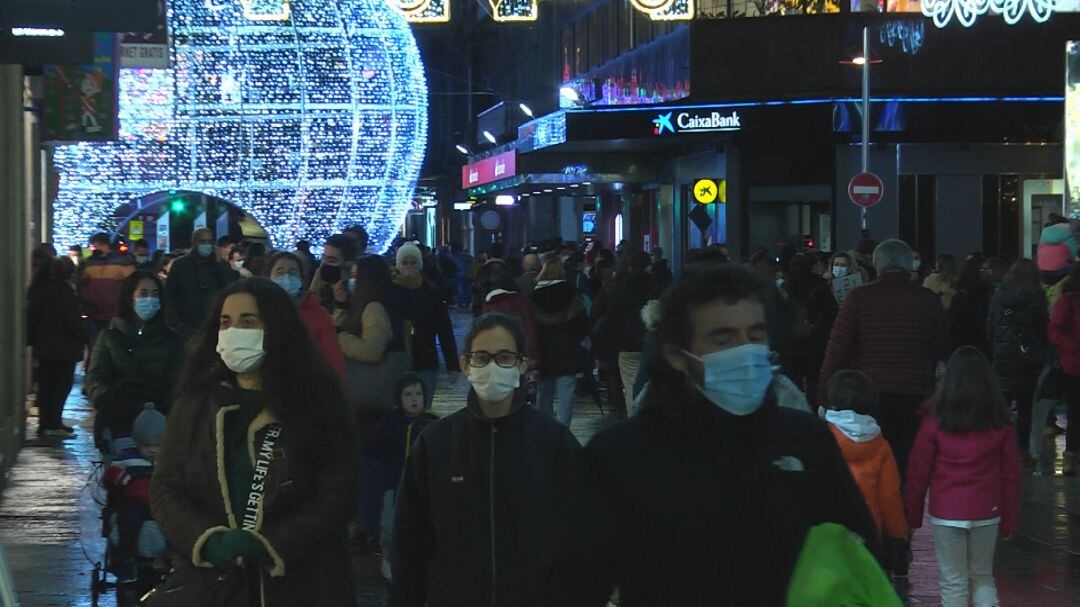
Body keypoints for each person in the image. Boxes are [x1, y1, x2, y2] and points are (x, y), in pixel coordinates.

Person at [551, 263, 879, 605]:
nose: (745, 351)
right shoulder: (622, 456)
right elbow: (577, 583)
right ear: (677, 356)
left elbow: (860, 555)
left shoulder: (804, 441)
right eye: (723, 338)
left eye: (755, 335)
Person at [149, 278, 356, 606]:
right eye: (226, 323)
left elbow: (337, 493)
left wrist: (271, 544)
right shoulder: (196, 403)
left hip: (300, 587)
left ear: (276, 329)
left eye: (248, 322)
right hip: (212, 587)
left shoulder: (318, 402)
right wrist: (208, 541)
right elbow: (165, 487)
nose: (234, 332)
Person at [391, 314, 582, 606]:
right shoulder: (436, 444)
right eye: (481, 357)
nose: (492, 366)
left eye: (504, 357)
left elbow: (581, 538)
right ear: (466, 364)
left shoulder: (553, 442)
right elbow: (409, 543)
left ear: (522, 364)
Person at [819, 239, 949, 481]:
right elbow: (942, 349)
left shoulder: (858, 298)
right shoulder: (927, 300)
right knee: (909, 463)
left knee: (875, 466)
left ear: (876, 265)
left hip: (870, 394)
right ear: (910, 266)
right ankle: (905, 512)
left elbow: (836, 350)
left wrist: (825, 396)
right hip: (916, 394)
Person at [904, 347, 1020, 607]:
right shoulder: (1000, 423)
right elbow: (1011, 476)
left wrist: (912, 516)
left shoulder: (934, 421)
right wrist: (1010, 521)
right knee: (982, 576)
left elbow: (917, 473)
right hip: (986, 511)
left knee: (953, 580)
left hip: (947, 513)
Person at [824, 371, 909, 572]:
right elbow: (889, 496)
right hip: (868, 532)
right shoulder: (880, 444)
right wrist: (899, 533)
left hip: (828, 532)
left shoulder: (821, 436)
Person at [361, 373, 438, 581]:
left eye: (418, 394)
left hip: (424, 489)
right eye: (408, 394)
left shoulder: (432, 423)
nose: (414, 399)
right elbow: (371, 450)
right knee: (390, 525)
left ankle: (420, 563)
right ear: (399, 398)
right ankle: (390, 560)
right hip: (394, 486)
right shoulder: (390, 422)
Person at [88, 271, 184, 430]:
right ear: (130, 297)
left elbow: (178, 378)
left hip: (161, 424)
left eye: (155, 294)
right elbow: (95, 378)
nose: (149, 299)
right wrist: (114, 399)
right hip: (118, 422)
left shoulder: (172, 338)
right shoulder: (110, 337)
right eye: (143, 293)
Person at [987, 259, 1048, 465]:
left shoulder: (998, 295)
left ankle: (997, 449)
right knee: (1025, 408)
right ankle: (1022, 450)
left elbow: (990, 326)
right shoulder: (1037, 297)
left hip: (1002, 357)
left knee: (1001, 406)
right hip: (1027, 359)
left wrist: (996, 349)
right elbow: (1043, 329)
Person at [102, 403, 168, 582]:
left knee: (175, 522)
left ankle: (170, 558)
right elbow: (111, 474)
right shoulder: (128, 458)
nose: (153, 450)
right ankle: (126, 558)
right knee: (128, 521)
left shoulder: (169, 460)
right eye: (147, 446)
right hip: (135, 501)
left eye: (157, 445)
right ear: (138, 443)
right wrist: (118, 478)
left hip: (162, 501)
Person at [392, 242, 460, 408]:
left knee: (423, 406)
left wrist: (452, 365)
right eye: (405, 263)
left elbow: (444, 328)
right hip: (397, 359)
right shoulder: (390, 290)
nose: (409, 267)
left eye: (413, 262)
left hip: (425, 357)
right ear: (398, 265)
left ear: (420, 265)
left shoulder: (430, 291)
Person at [27, 257, 89, 439]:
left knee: (47, 388)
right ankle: (53, 424)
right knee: (60, 388)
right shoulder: (65, 293)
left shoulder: (41, 291)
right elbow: (72, 322)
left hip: (45, 348)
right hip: (64, 350)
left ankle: (48, 423)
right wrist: (85, 336)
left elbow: (33, 319)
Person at [266, 252, 345, 379]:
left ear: (302, 280)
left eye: (292, 272)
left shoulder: (318, 315)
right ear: (269, 277)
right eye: (280, 272)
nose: (286, 277)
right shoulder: (256, 308)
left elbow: (333, 360)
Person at [530, 259, 588, 426]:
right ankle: (563, 431)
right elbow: (582, 324)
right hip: (567, 350)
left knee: (544, 392)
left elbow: (529, 325)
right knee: (566, 393)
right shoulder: (572, 293)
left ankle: (544, 427)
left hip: (544, 351)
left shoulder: (534, 296)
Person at [598, 251, 657, 411]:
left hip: (627, 344)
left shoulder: (619, 289)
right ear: (649, 266)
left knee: (631, 385)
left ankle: (636, 419)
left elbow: (610, 320)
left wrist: (602, 350)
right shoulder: (658, 286)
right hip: (654, 343)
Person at [164, 227, 238, 342]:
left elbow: (230, 288)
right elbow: (170, 296)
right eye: (203, 241)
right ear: (194, 243)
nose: (207, 245)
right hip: (188, 326)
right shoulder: (180, 265)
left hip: (214, 325)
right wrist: (178, 324)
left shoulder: (219, 264)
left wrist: (221, 263)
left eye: (210, 241)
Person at [1048, 262, 1080, 476]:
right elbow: (1055, 329)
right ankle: (1071, 454)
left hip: (1073, 361)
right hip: (1074, 365)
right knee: (1075, 412)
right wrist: (1073, 348)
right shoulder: (1068, 302)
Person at [80, 232, 136, 345]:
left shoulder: (90, 264)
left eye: (98, 245)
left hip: (110, 315)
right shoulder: (89, 264)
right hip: (99, 315)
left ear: (106, 245)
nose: (94, 248)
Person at [950, 258, 992, 356]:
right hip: (967, 350)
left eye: (988, 269)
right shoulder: (963, 297)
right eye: (983, 270)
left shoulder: (987, 295)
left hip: (976, 349)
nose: (988, 273)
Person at [309, 234, 356, 312]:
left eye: (331, 260)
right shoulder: (321, 273)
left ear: (348, 265)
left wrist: (341, 305)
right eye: (323, 257)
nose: (325, 263)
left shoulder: (356, 288)